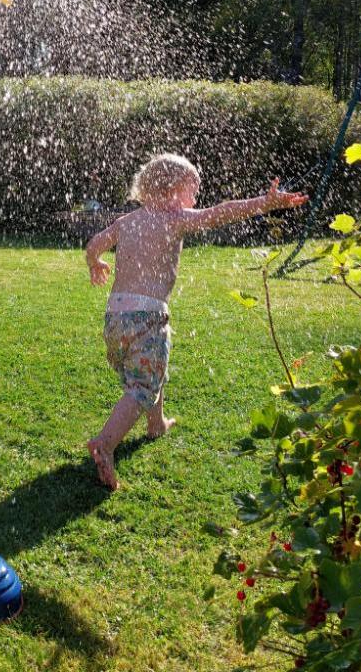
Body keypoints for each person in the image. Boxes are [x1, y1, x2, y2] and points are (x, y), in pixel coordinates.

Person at [84, 153, 308, 490]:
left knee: (153, 368)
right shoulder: (175, 218)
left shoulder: (128, 221)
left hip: (116, 317)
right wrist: (265, 202)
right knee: (143, 385)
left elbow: (94, 244)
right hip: (148, 315)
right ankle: (105, 443)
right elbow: (221, 213)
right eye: (193, 190)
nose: (196, 199)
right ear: (173, 191)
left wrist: (95, 263)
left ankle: (156, 424)